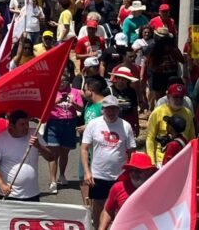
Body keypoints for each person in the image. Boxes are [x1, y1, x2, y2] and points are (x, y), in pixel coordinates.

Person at [81, 96, 137, 227]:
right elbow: (84, 148)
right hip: (98, 173)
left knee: (117, 205)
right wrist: (87, 172)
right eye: (108, 109)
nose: (111, 112)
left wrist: (131, 173)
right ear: (102, 110)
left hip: (120, 175)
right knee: (98, 204)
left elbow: (132, 151)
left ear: (118, 110)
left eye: (114, 109)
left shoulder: (126, 126)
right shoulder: (93, 124)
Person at [0, 109, 54, 201]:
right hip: (9, 194)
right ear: (11, 126)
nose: (26, 127)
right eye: (22, 124)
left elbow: (51, 157)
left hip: (32, 193)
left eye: (27, 123)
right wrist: (2, 185)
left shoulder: (34, 134)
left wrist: (39, 146)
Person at [45, 61, 83, 194]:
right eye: (60, 81)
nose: (62, 84)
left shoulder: (75, 92)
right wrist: (56, 102)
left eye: (64, 81)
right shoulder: (51, 91)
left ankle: (62, 174)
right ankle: (53, 180)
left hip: (69, 123)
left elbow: (81, 108)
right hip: (54, 123)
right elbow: (44, 109)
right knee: (53, 153)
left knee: (64, 153)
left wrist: (73, 103)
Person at [97, 152, 157, 230]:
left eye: (139, 171)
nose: (134, 174)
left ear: (150, 172)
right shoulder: (118, 188)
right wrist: (101, 228)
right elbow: (108, 211)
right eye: (131, 170)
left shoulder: (158, 189)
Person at [146, 83, 196, 166]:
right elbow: (150, 138)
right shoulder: (157, 112)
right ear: (168, 96)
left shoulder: (188, 113)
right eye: (175, 97)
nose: (178, 100)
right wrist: (152, 162)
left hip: (182, 159)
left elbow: (192, 139)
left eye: (181, 97)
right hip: (161, 160)